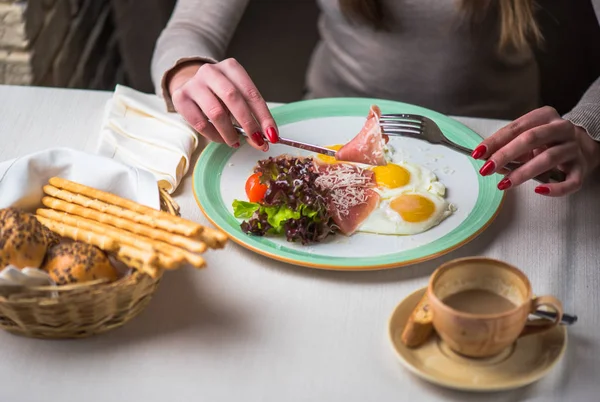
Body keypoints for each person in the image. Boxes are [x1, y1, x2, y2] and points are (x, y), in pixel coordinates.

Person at [151, 0, 600, 197]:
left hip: (495, 148)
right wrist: (188, 74)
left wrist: (589, 125)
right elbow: (191, 30)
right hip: (327, 132)